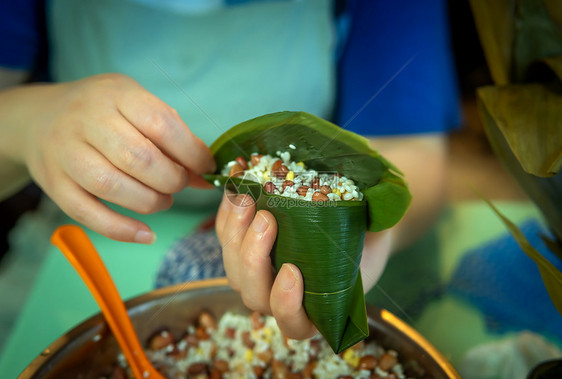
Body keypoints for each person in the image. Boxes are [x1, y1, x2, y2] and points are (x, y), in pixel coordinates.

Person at [0, 0, 459, 341]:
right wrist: (26, 121)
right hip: (81, 239)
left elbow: (410, 156)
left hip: (289, 247)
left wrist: (362, 243)